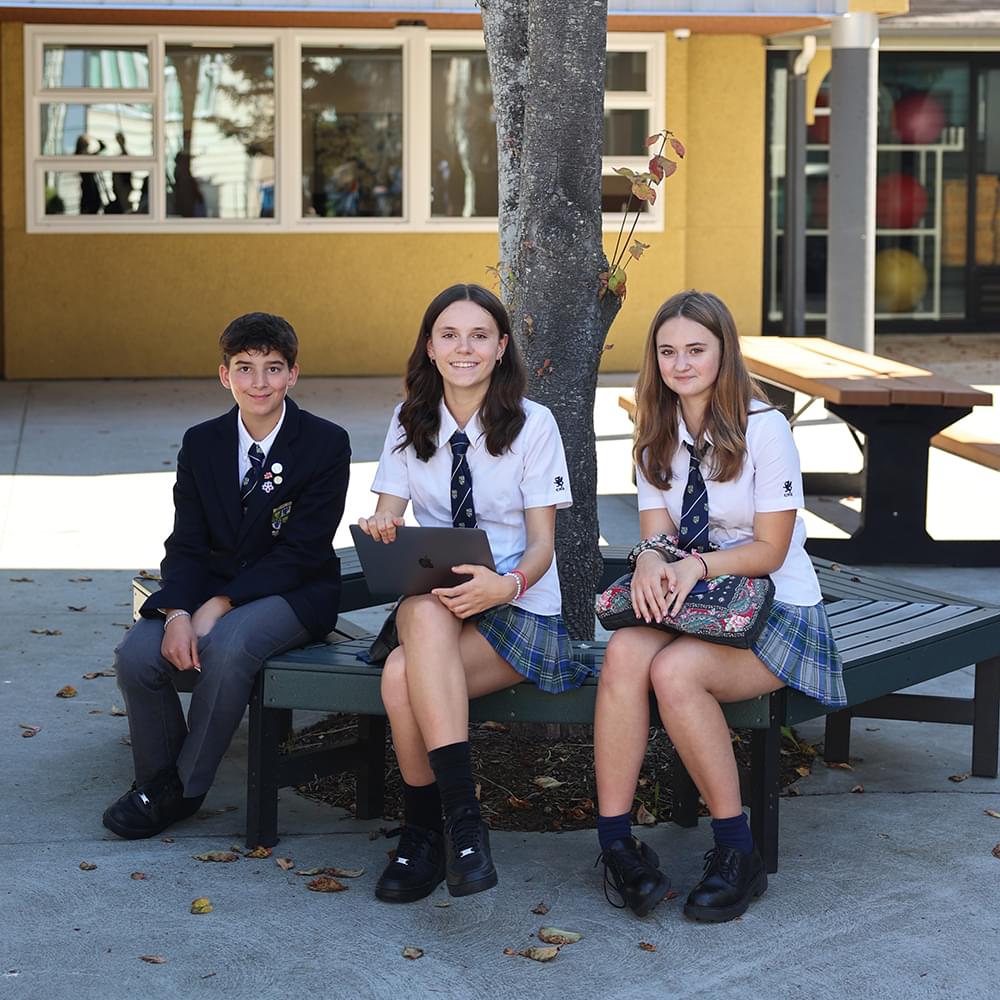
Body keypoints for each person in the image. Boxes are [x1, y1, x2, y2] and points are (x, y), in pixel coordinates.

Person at [593, 289, 845, 922]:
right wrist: (650, 557)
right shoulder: (656, 429)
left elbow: (770, 548)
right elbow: (656, 528)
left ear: (724, 352)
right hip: (698, 601)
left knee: (674, 671)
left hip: (776, 610)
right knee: (624, 650)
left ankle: (737, 851)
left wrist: (692, 562)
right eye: (668, 350)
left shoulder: (766, 429)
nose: (681, 364)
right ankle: (617, 844)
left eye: (696, 350)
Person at [360, 283, 587, 903]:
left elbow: (544, 547)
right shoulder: (410, 419)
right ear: (430, 347)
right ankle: (462, 824)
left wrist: (504, 585)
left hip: (518, 606)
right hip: (438, 604)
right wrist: (383, 528)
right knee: (421, 615)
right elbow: (389, 516)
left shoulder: (533, 424)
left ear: (501, 346)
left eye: (479, 335)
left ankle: (425, 831)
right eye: (450, 335)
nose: (465, 347)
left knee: (398, 676)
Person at [102, 312, 351, 839]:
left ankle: (186, 789)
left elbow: (303, 551)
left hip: (295, 591)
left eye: (273, 368)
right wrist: (177, 611)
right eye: (245, 368)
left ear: (293, 375)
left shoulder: (325, 443)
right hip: (207, 588)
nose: (259, 383)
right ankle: (156, 785)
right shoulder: (202, 442)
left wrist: (222, 603)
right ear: (224, 375)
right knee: (137, 654)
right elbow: (187, 542)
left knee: (229, 647)